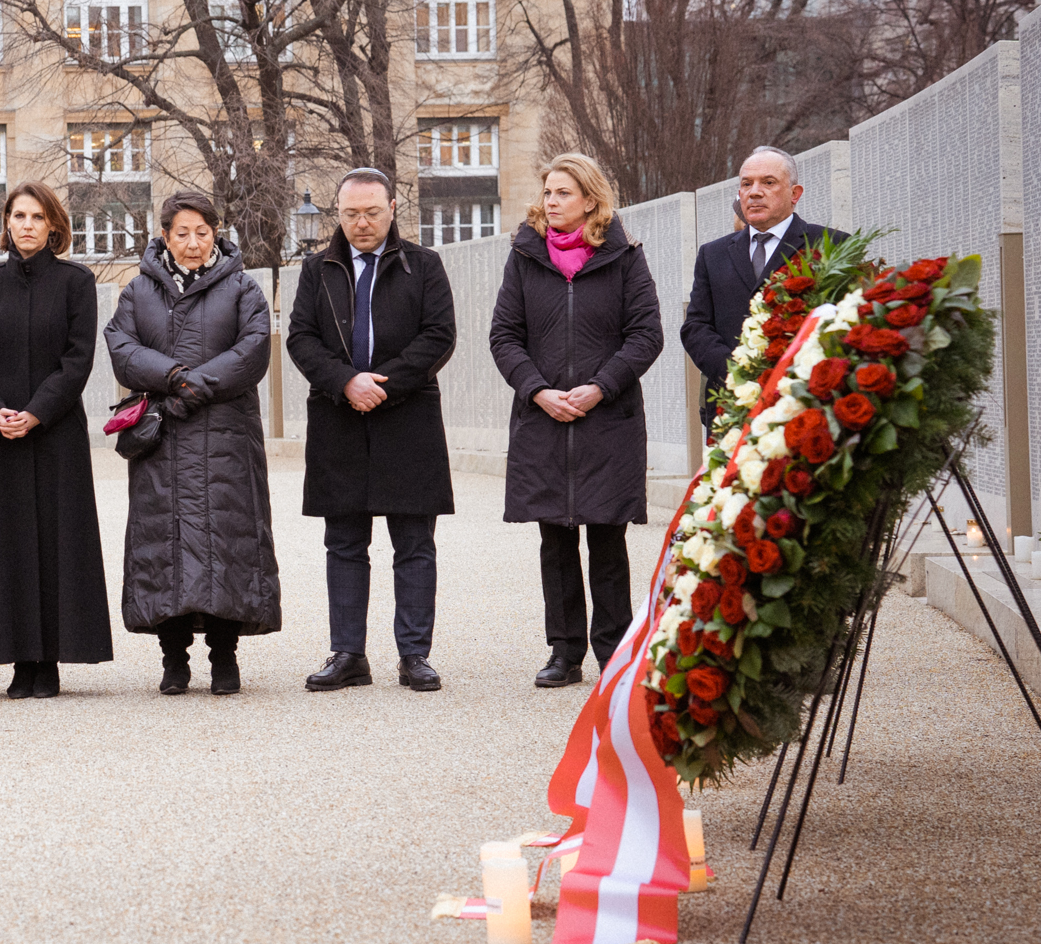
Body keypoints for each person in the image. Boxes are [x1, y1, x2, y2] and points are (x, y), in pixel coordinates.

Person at [489, 154, 665, 685]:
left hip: (607, 420)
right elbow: (504, 336)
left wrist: (599, 387)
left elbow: (646, 334)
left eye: (563, 192)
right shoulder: (524, 256)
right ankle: (564, 653)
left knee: (608, 540)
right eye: (547, 192)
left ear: (590, 199)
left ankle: (614, 652)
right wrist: (538, 391)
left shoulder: (626, 257)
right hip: (543, 419)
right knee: (556, 540)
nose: (551, 201)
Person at [286, 169, 457, 694]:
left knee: (413, 542)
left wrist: (382, 385)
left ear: (393, 208)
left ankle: (414, 655)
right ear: (338, 213)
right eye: (351, 213)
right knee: (343, 542)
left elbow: (440, 335)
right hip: (339, 418)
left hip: (407, 416)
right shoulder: (317, 270)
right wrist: (346, 382)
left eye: (372, 212)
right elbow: (301, 338)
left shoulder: (423, 265)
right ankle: (348, 654)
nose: (361, 223)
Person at [105, 191, 281, 695]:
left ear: (216, 234)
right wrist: (176, 375)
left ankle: (225, 656)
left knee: (228, 542)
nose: (192, 242)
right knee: (164, 545)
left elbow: (252, 351)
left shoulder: (244, 288)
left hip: (226, 437)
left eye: (202, 232)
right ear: (165, 236)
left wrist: (189, 387)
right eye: (181, 233)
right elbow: (122, 349)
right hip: (163, 440)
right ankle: (173, 659)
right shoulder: (138, 291)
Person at [0, 181, 112, 696]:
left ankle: (51, 660)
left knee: (54, 545)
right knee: (6, 547)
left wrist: (37, 413)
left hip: (54, 435)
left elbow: (77, 359)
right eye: (18, 216)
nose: (26, 225)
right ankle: (20, 660)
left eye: (37, 217)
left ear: (53, 225)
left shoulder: (76, 283)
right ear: (7, 223)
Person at [680, 146, 846, 427]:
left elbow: (847, 324)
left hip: (807, 407)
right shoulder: (713, 254)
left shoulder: (832, 245)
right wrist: (737, 372)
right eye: (746, 184)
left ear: (795, 194)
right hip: (731, 404)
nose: (754, 192)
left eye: (768, 183)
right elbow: (696, 326)